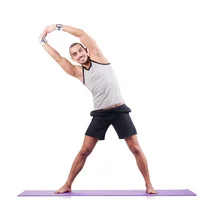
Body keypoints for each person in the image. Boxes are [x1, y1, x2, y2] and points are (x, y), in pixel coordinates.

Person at [38, 24, 157, 194]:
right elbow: (58, 58)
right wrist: (43, 41)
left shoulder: (98, 57)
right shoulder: (78, 72)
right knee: (84, 151)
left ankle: (149, 185)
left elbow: (80, 33)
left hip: (119, 111)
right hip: (100, 114)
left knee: (136, 149)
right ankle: (68, 184)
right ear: (73, 59)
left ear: (86, 50)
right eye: (74, 55)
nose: (78, 55)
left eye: (80, 51)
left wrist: (57, 27)